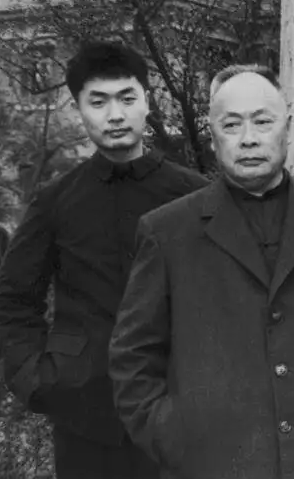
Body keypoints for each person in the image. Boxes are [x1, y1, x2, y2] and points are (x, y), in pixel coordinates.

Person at [109, 64, 294, 479]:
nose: (248, 138)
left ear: (288, 127)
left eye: (262, 121)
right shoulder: (167, 232)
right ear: (213, 137)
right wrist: (174, 438)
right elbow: (133, 357)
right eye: (231, 125)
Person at [0, 41, 207, 479]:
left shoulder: (195, 196)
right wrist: (36, 380)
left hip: (180, 414)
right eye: (98, 102)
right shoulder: (55, 201)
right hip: (84, 418)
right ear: (79, 108)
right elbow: (14, 298)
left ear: (147, 101)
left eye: (127, 98)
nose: (115, 115)